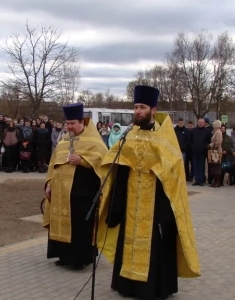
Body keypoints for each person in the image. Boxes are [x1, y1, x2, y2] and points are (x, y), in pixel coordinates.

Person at [97, 85, 200, 300]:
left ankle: (154, 288)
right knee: (129, 241)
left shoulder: (165, 137)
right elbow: (115, 163)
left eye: (142, 107)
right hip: (131, 201)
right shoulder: (129, 135)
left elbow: (174, 172)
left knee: (155, 245)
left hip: (155, 203)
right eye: (135, 107)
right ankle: (128, 285)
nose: (137, 112)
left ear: (153, 110)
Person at [43, 103, 108, 270]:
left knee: (79, 226)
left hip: (83, 192)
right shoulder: (64, 140)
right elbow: (53, 162)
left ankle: (81, 258)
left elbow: (102, 161)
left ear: (82, 122)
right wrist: (49, 183)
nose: (69, 127)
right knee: (62, 222)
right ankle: (64, 256)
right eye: (67, 123)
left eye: (72, 123)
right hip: (61, 192)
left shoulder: (94, 140)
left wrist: (83, 161)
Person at [208, 120, 223, 188]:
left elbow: (218, 141)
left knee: (217, 167)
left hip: (217, 151)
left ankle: (217, 182)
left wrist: (211, 145)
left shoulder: (218, 132)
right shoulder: (215, 132)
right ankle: (215, 182)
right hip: (214, 151)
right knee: (214, 167)